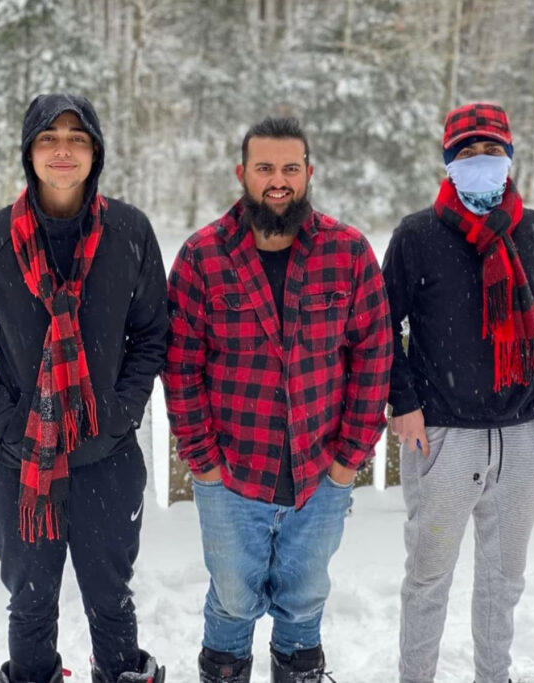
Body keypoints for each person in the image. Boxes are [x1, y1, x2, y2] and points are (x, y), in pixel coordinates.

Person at [163, 117, 392, 683]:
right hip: (232, 477)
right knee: (234, 601)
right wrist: (205, 463)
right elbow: (181, 366)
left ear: (309, 173)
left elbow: (373, 357)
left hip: (320, 473)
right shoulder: (202, 257)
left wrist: (347, 461)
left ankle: (299, 671)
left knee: (305, 600)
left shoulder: (348, 253)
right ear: (242, 173)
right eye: (264, 168)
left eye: (291, 168)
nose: (278, 181)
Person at [0, 93, 168, 683]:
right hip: (22, 464)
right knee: (28, 603)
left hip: (107, 457)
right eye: (49, 138)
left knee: (111, 599)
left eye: (77, 137)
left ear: (95, 152)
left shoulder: (131, 233)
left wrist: (118, 413)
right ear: (30, 153)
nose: (63, 150)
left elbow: (152, 335)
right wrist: (12, 422)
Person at [383, 102, 534, 683]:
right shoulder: (418, 235)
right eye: (468, 153)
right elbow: (381, 326)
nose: (482, 162)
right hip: (442, 435)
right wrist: (405, 403)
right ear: (448, 163)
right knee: (428, 576)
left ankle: (496, 675)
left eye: (492, 152)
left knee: (502, 579)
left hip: (521, 437)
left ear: (509, 159)